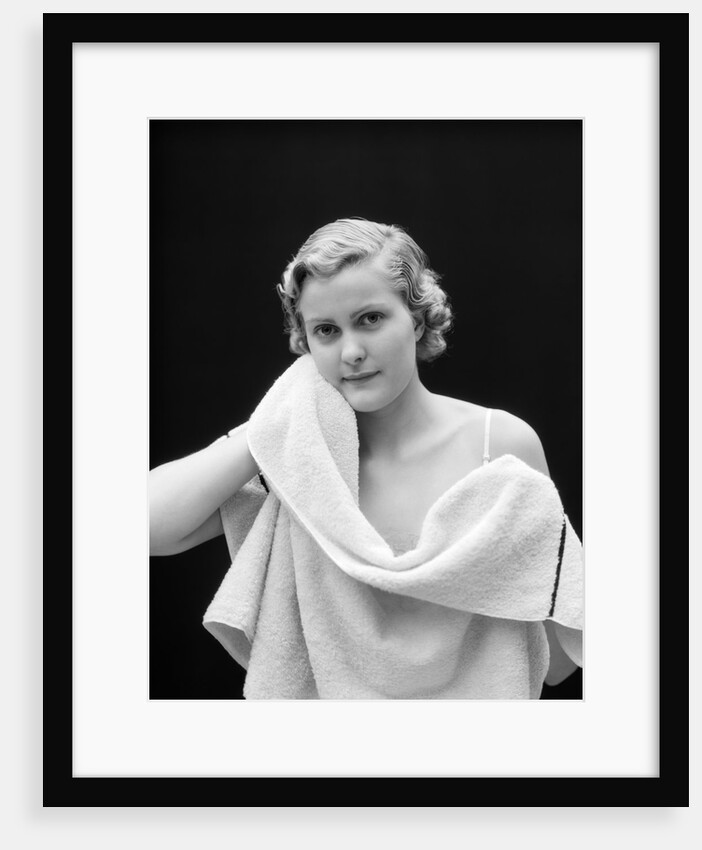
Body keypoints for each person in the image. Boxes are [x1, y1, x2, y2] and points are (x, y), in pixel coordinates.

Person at [149, 217, 582, 696]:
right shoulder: (300, 461)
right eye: (326, 330)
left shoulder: (497, 443)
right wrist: (275, 426)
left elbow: (554, 659)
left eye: (370, 319)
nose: (351, 351)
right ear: (305, 346)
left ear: (417, 319)